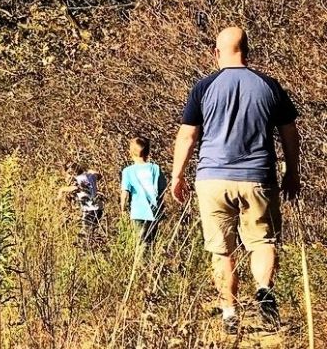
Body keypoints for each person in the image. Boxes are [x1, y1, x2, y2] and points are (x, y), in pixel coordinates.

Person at [170, 27, 301, 335]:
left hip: (212, 178)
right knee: (263, 242)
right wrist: (292, 172)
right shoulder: (269, 86)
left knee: (221, 250)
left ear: (217, 52)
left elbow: (188, 135)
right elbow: (289, 134)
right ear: (248, 50)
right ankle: (264, 291)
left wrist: (177, 175)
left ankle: (229, 312)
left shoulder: (204, 87)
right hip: (258, 177)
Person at [120, 137, 166, 248]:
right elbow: (162, 189)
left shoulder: (128, 171)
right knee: (151, 242)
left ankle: (141, 264)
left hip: (138, 211)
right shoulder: (155, 168)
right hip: (154, 210)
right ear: (148, 151)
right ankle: (149, 263)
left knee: (141, 242)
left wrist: (122, 208)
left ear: (130, 152)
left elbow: (125, 193)